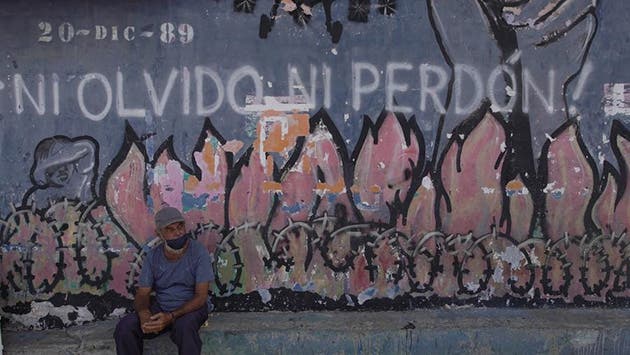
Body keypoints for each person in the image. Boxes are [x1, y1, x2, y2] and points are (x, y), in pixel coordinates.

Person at [114, 206, 214, 355]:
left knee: (185, 329)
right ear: (159, 234)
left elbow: (201, 297)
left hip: (191, 308)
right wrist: (143, 312)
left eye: (180, 227)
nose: (178, 233)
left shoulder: (198, 252)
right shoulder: (153, 256)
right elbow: (143, 293)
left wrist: (171, 316)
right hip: (162, 308)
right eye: (170, 229)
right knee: (125, 327)